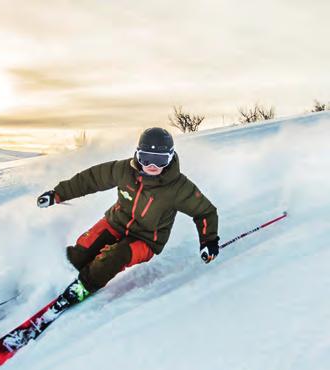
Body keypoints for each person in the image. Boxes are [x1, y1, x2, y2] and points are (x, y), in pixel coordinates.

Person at [37, 127, 219, 305]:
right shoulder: (124, 170)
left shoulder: (178, 187)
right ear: (137, 154)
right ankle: (54, 279)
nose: (152, 166)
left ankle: (84, 285)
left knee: (114, 257)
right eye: (146, 158)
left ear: (171, 158)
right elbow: (90, 179)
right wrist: (58, 194)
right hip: (115, 223)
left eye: (160, 160)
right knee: (80, 253)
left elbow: (204, 212)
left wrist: (208, 241)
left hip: (146, 239)